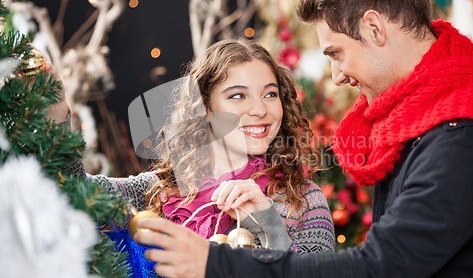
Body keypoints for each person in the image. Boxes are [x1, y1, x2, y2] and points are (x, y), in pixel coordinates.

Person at [133, 0, 473, 278]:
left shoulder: (461, 136)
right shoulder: (423, 117)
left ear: (374, 28)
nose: (337, 75)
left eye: (336, 53)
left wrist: (216, 267)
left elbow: (379, 272)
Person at [52, 38, 335, 254]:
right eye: (238, 96)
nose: (260, 109)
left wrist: (267, 221)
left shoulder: (305, 200)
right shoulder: (161, 192)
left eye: (270, 94)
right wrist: (56, 112)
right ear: (205, 110)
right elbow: (75, 192)